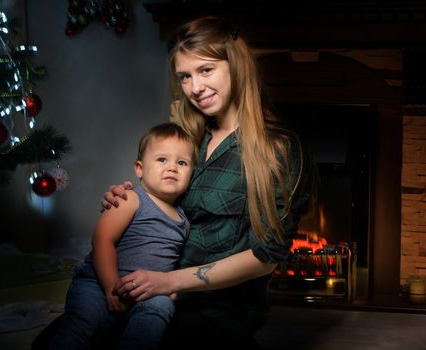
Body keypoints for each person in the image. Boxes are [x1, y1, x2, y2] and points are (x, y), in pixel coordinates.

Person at [102, 16, 313, 349]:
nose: (195, 88)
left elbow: (267, 255)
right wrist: (131, 199)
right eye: (185, 76)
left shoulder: (278, 149)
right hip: (151, 286)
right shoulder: (189, 139)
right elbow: (162, 201)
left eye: (205, 70)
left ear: (236, 66)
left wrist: (169, 281)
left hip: (217, 310)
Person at [34, 122, 196, 350]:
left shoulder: (184, 222)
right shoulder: (130, 199)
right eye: (162, 159)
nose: (172, 168)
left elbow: (172, 262)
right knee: (83, 324)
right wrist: (111, 287)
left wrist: (172, 287)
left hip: (146, 290)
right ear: (139, 168)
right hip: (99, 283)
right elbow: (102, 239)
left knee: (162, 308)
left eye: (182, 162)